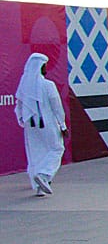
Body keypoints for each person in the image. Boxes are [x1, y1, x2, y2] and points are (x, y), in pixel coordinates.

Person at [16, 53, 67, 196]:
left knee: (36, 153)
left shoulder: (24, 86)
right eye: (44, 65)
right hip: (48, 124)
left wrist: (21, 119)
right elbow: (57, 106)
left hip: (30, 126)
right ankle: (44, 175)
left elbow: (18, 105)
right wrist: (62, 125)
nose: (46, 68)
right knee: (57, 148)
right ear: (39, 67)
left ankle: (40, 187)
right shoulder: (48, 85)